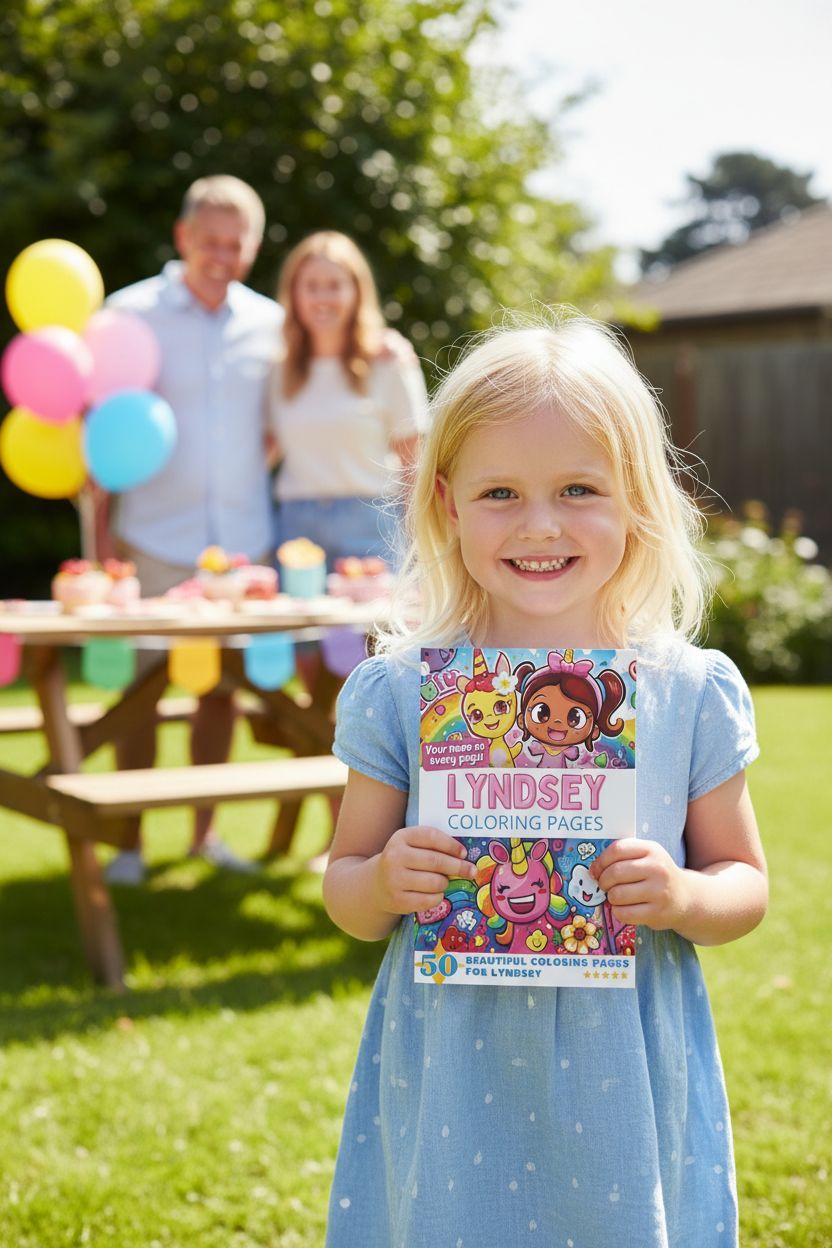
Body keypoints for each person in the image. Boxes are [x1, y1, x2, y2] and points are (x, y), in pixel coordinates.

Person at [321, 314, 768, 1246]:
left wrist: (684, 892)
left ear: (637, 497)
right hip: (452, 1068)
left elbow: (745, 884)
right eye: (499, 492)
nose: (540, 525)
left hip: (627, 1071)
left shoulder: (685, 691)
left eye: (578, 488)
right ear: (444, 501)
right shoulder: (405, 690)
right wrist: (380, 880)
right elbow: (346, 888)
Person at [101, 175, 280, 885]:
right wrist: (101, 537)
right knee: (139, 692)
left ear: (253, 247)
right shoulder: (129, 314)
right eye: (210, 241)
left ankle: (205, 836)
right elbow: (103, 429)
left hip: (238, 543)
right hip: (150, 534)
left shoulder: (271, 322)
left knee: (219, 693)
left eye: (236, 245)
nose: (222, 255)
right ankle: (128, 845)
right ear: (182, 238)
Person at [268, 231, 428, 570]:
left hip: (371, 524)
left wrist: (422, 553)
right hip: (297, 529)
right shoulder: (277, 371)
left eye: (334, 285)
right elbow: (265, 452)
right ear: (294, 294)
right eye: (311, 286)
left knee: (371, 625)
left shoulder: (390, 363)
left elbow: (415, 466)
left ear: (356, 292)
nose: (322, 297)